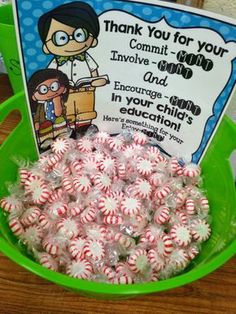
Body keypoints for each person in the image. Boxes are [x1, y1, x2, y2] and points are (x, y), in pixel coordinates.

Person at [38, 1, 108, 132]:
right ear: (46, 47)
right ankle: (68, 131)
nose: (72, 42)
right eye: (61, 38)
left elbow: (94, 71)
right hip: (64, 93)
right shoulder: (56, 62)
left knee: (86, 111)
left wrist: (96, 80)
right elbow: (48, 75)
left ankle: (85, 128)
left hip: (86, 91)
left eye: (79, 35)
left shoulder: (86, 57)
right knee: (68, 113)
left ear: (92, 39)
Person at [28, 68, 70, 149]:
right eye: (43, 90)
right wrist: (36, 122)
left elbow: (59, 113)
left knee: (60, 127)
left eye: (54, 86)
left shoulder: (59, 101)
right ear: (33, 96)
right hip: (45, 128)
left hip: (60, 125)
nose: (50, 92)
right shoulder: (40, 106)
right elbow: (37, 116)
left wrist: (57, 102)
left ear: (64, 89)